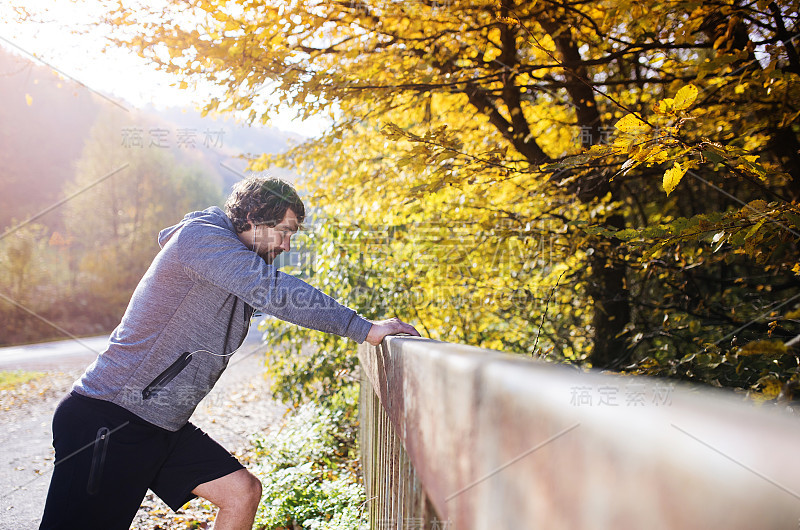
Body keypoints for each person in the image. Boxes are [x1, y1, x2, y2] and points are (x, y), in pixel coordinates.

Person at [39, 176, 420, 530]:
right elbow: (275, 292)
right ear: (253, 217)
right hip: (109, 418)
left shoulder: (231, 258)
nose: (286, 246)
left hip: (159, 423)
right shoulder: (200, 239)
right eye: (283, 232)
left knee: (241, 492)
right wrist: (365, 329)